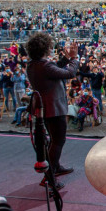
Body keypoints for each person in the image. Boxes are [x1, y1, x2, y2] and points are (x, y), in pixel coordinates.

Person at [26, 32, 79, 188]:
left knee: (53, 141)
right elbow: (69, 73)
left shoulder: (33, 64)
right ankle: (49, 176)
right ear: (45, 48)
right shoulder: (45, 66)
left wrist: (66, 59)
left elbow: (55, 70)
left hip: (45, 109)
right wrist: (74, 59)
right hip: (54, 109)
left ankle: (54, 167)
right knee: (58, 141)